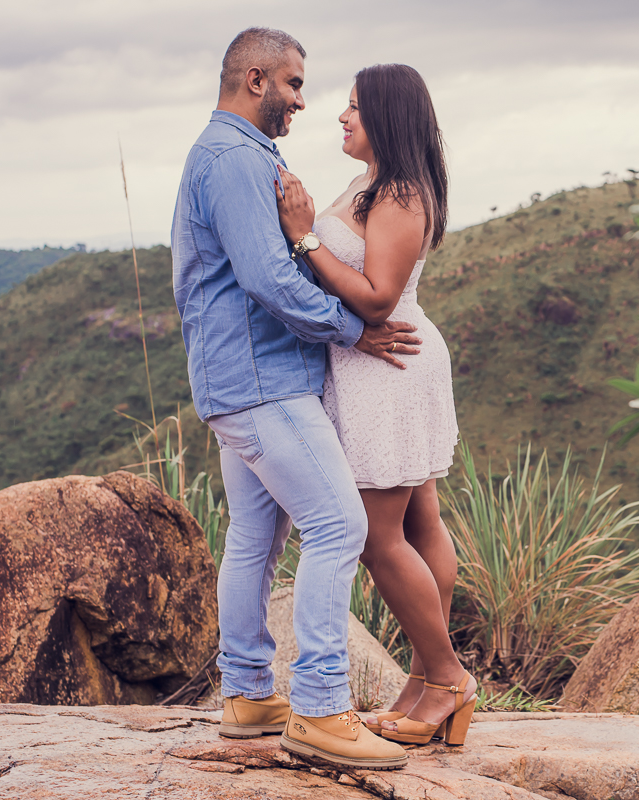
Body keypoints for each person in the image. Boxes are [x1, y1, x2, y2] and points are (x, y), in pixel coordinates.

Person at [171, 27, 417, 771]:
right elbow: (267, 280)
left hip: (235, 381)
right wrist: (352, 329)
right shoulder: (235, 159)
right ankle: (319, 708)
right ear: (255, 80)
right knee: (339, 524)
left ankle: (247, 695)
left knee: (255, 538)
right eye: (294, 85)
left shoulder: (233, 154)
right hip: (262, 383)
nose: (303, 103)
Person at [274, 64, 475, 747]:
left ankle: (447, 677)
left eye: (355, 107)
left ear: (386, 115)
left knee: (375, 536)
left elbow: (378, 296)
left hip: (386, 365)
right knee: (419, 521)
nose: (341, 116)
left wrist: (304, 237)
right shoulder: (373, 183)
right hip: (380, 365)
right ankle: (423, 685)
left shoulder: (399, 193)